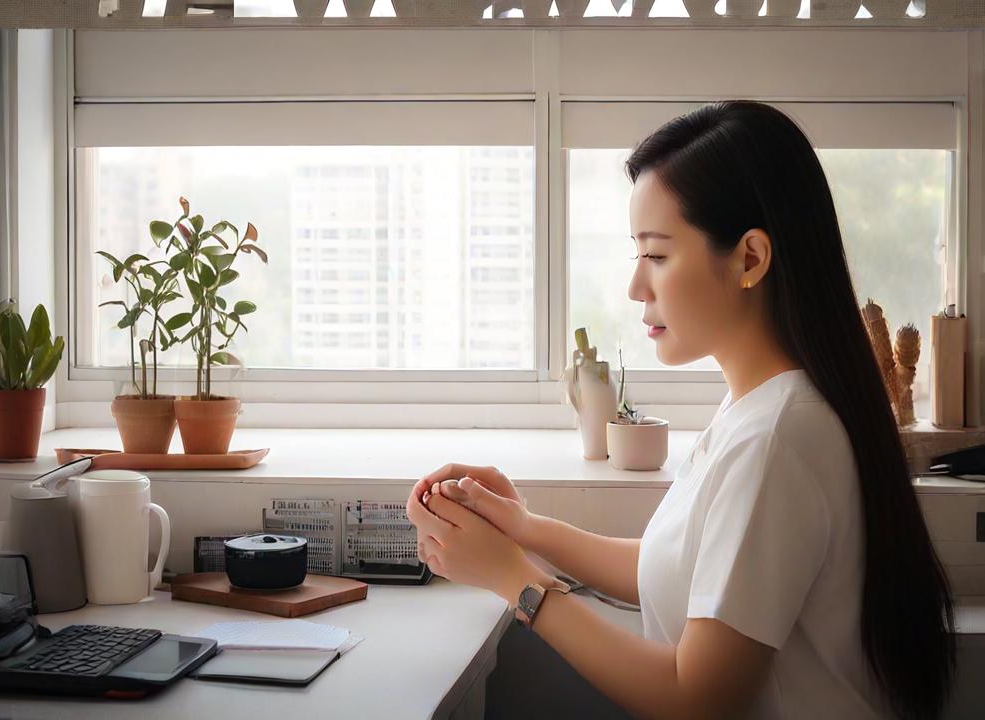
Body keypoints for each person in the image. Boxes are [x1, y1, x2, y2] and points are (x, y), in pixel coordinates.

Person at [406, 101, 955, 720]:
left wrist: (514, 580)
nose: (636, 286)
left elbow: (697, 699)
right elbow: (675, 566)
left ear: (750, 258)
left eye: (658, 255)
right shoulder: (759, 406)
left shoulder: (779, 437)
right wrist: (524, 529)